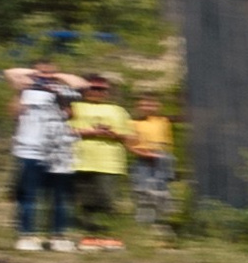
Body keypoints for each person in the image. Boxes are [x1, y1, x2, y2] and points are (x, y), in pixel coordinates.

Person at [4, 64, 74, 248]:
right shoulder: (25, 91)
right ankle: (27, 235)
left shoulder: (62, 91)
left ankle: (57, 236)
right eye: (42, 72)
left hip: (58, 152)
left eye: (50, 72)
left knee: (59, 197)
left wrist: (57, 78)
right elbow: (9, 73)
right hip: (30, 150)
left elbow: (80, 85)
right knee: (29, 195)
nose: (46, 76)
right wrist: (34, 76)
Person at [69, 71, 131, 241]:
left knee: (106, 198)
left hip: (108, 162)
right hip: (79, 160)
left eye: (102, 89)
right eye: (93, 88)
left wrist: (112, 134)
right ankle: (86, 230)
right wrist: (91, 131)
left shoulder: (118, 110)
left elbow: (128, 135)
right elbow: (64, 130)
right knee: (83, 198)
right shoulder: (74, 107)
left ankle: (106, 230)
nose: (97, 92)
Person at [126, 90, 176, 229]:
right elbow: (129, 145)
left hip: (162, 158)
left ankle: (161, 221)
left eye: (151, 104)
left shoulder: (163, 121)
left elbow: (168, 142)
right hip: (143, 159)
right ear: (138, 106)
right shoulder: (133, 122)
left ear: (157, 106)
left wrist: (165, 157)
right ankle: (144, 223)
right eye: (143, 104)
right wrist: (145, 153)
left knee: (161, 190)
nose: (147, 107)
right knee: (143, 190)